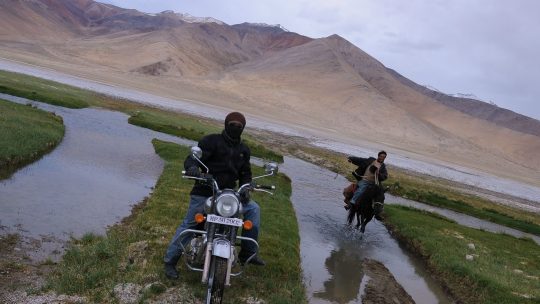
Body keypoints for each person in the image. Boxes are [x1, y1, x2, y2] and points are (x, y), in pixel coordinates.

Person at [163, 111, 265, 280]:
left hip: (230, 195)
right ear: (226, 124)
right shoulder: (211, 141)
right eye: (232, 125)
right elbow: (193, 159)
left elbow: (245, 173)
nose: (235, 128)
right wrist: (193, 168)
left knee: (254, 209)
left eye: (239, 126)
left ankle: (248, 252)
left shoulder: (243, 149)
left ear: (243, 128)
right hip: (206, 191)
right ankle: (170, 260)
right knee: (190, 222)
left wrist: (246, 186)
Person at [346, 151, 388, 220]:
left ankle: (378, 213)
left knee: (381, 194)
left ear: (385, 158)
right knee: (361, 189)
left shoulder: (383, 167)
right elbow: (360, 160)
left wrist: (379, 174)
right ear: (378, 156)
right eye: (381, 156)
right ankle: (351, 203)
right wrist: (352, 159)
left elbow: (385, 176)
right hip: (365, 181)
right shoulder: (371, 160)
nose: (382, 158)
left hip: (374, 183)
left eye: (383, 157)